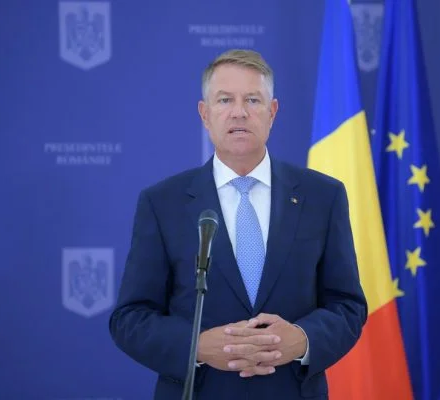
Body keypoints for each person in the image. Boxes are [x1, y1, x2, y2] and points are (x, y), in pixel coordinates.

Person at [109, 49, 367, 400]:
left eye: (253, 100)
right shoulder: (162, 202)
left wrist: (302, 339)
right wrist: (197, 347)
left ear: (272, 112)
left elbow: (348, 306)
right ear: (205, 114)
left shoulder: (323, 196)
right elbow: (130, 317)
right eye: (225, 99)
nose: (239, 112)